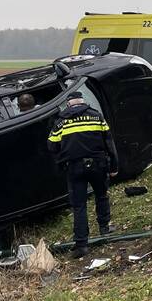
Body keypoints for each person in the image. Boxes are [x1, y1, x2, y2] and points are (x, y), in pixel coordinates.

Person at [47, 91, 119, 258]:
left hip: (74, 167)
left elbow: (51, 145)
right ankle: (104, 227)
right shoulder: (96, 116)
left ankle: (81, 244)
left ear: (69, 104)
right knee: (101, 195)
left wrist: (63, 157)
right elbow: (109, 142)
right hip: (98, 165)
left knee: (79, 205)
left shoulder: (61, 121)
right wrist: (114, 166)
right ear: (83, 101)